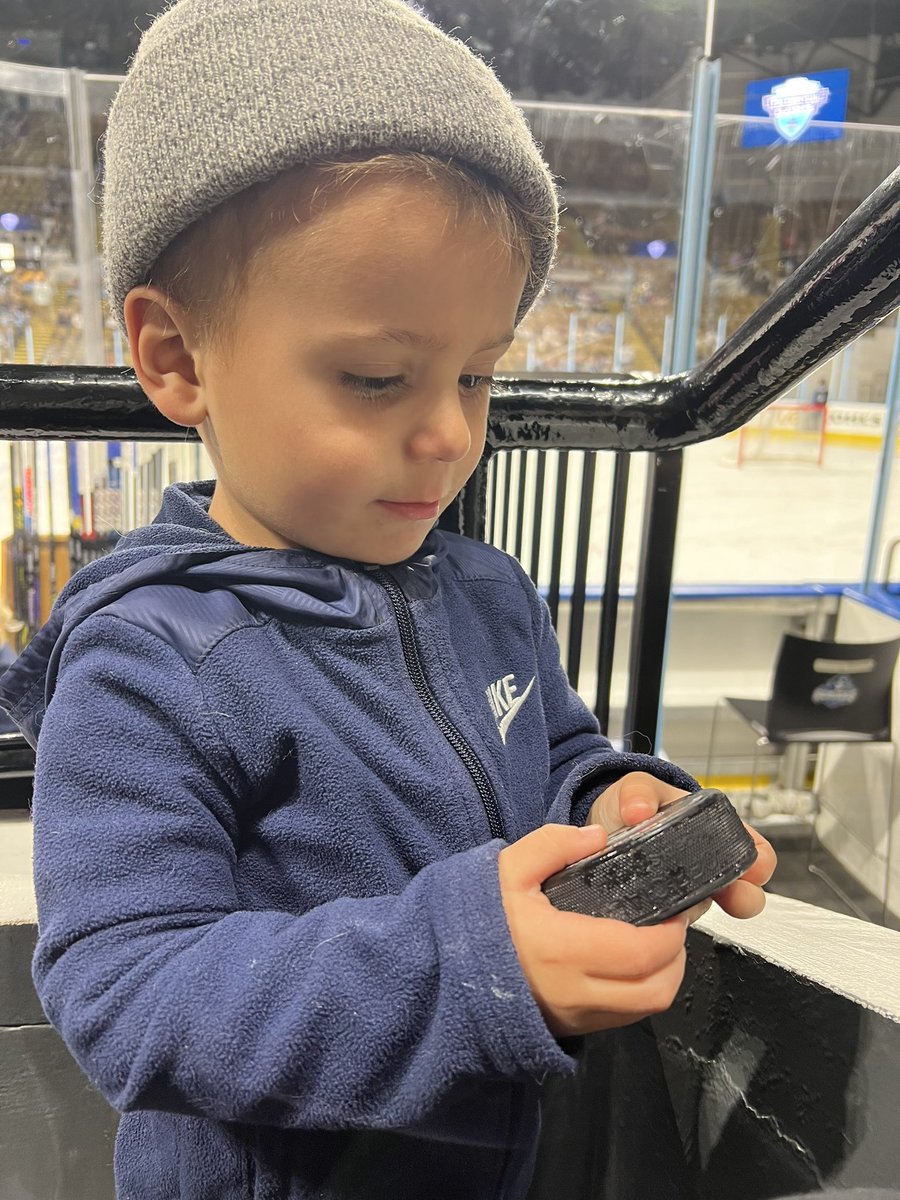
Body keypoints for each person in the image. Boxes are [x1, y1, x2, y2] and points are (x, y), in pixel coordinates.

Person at [0, 2, 775, 1197]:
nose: (448, 433)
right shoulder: (151, 661)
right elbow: (127, 997)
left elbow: (549, 755)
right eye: (376, 378)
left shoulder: (485, 594)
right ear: (176, 358)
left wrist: (606, 799)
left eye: (479, 373)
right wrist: (466, 960)